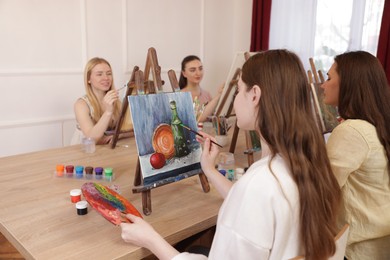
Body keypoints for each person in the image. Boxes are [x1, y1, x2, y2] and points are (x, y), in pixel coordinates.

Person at [120, 50, 341, 260]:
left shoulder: (259, 184)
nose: (235, 100)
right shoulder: (306, 161)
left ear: (254, 95)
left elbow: (252, 198)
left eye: (238, 91)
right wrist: (209, 169)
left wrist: (150, 239)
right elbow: (251, 203)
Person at [321, 50, 390, 260]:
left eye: (329, 78)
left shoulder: (352, 131)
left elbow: (322, 188)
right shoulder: (378, 124)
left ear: (349, 84)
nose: (323, 85)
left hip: (355, 250)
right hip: (379, 243)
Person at [71, 57, 132, 145]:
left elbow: (132, 130)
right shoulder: (81, 104)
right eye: (99, 74)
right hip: (84, 151)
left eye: (109, 73)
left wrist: (118, 136)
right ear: (88, 79)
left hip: (105, 150)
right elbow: (91, 139)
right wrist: (108, 111)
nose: (106, 78)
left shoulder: (116, 102)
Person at [179, 55, 223, 122]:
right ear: (184, 73)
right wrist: (219, 95)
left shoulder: (207, 95)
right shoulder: (180, 96)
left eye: (200, 68)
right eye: (193, 70)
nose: (198, 73)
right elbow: (197, 120)